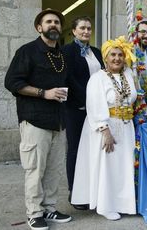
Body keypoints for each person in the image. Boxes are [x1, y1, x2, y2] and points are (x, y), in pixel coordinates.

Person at [4, 8, 72, 230]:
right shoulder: (27, 51)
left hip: (59, 121)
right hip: (34, 120)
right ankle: (34, 213)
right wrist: (44, 93)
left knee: (54, 170)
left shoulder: (61, 54)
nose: (54, 25)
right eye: (49, 22)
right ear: (39, 27)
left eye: (57, 22)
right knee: (35, 169)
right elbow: (12, 83)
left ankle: (49, 208)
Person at [71, 36, 137, 221]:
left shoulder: (129, 74)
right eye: (112, 55)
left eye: (120, 55)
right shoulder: (97, 78)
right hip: (106, 126)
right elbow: (94, 104)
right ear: (105, 58)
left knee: (123, 166)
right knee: (108, 167)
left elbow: (132, 99)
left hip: (126, 125)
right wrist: (104, 130)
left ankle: (123, 203)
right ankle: (106, 205)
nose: (117, 58)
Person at [62, 16, 104, 210]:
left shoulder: (96, 52)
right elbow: (68, 79)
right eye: (82, 28)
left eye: (89, 28)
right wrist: (88, 98)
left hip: (97, 108)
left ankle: (92, 189)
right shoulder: (67, 51)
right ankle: (74, 191)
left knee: (92, 149)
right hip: (77, 108)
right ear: (74, 31)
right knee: (75, 149)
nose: (86, 31)